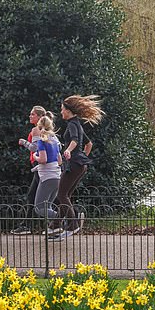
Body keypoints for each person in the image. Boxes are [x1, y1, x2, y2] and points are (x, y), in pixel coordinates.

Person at [49, 95, 104, 241]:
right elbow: (89, 144)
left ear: (68, 110)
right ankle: (55, 225)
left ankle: (72, 226)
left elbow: (74, 140)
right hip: (80, 165)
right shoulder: (77, 123)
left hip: (74, 165)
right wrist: (82, 157)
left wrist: (69, 151)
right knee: (65, 195)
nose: (61, 113)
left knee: (61, 195)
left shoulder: (72, 125)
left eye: (62, 110)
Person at [11, 106, 48, 235]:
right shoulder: (45, 129)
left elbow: (35, 148)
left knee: (35, 196)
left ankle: (69, 217)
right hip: (43, 166)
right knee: (41, 196)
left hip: (40, 166)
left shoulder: (36, 130)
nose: (30, 116)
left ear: (38, 117)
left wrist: (24, 142)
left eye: (32, 114)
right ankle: (70, 217)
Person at [22, 114, 62, 224]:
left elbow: (43, 159)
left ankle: (64, 218)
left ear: (39, 127)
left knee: (39, 208)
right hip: (57, 176)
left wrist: (35, 156)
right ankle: (55, 227)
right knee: (47, 206)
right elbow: (60, 161)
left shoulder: (42, 141)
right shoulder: (55, 141)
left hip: (47, 177)